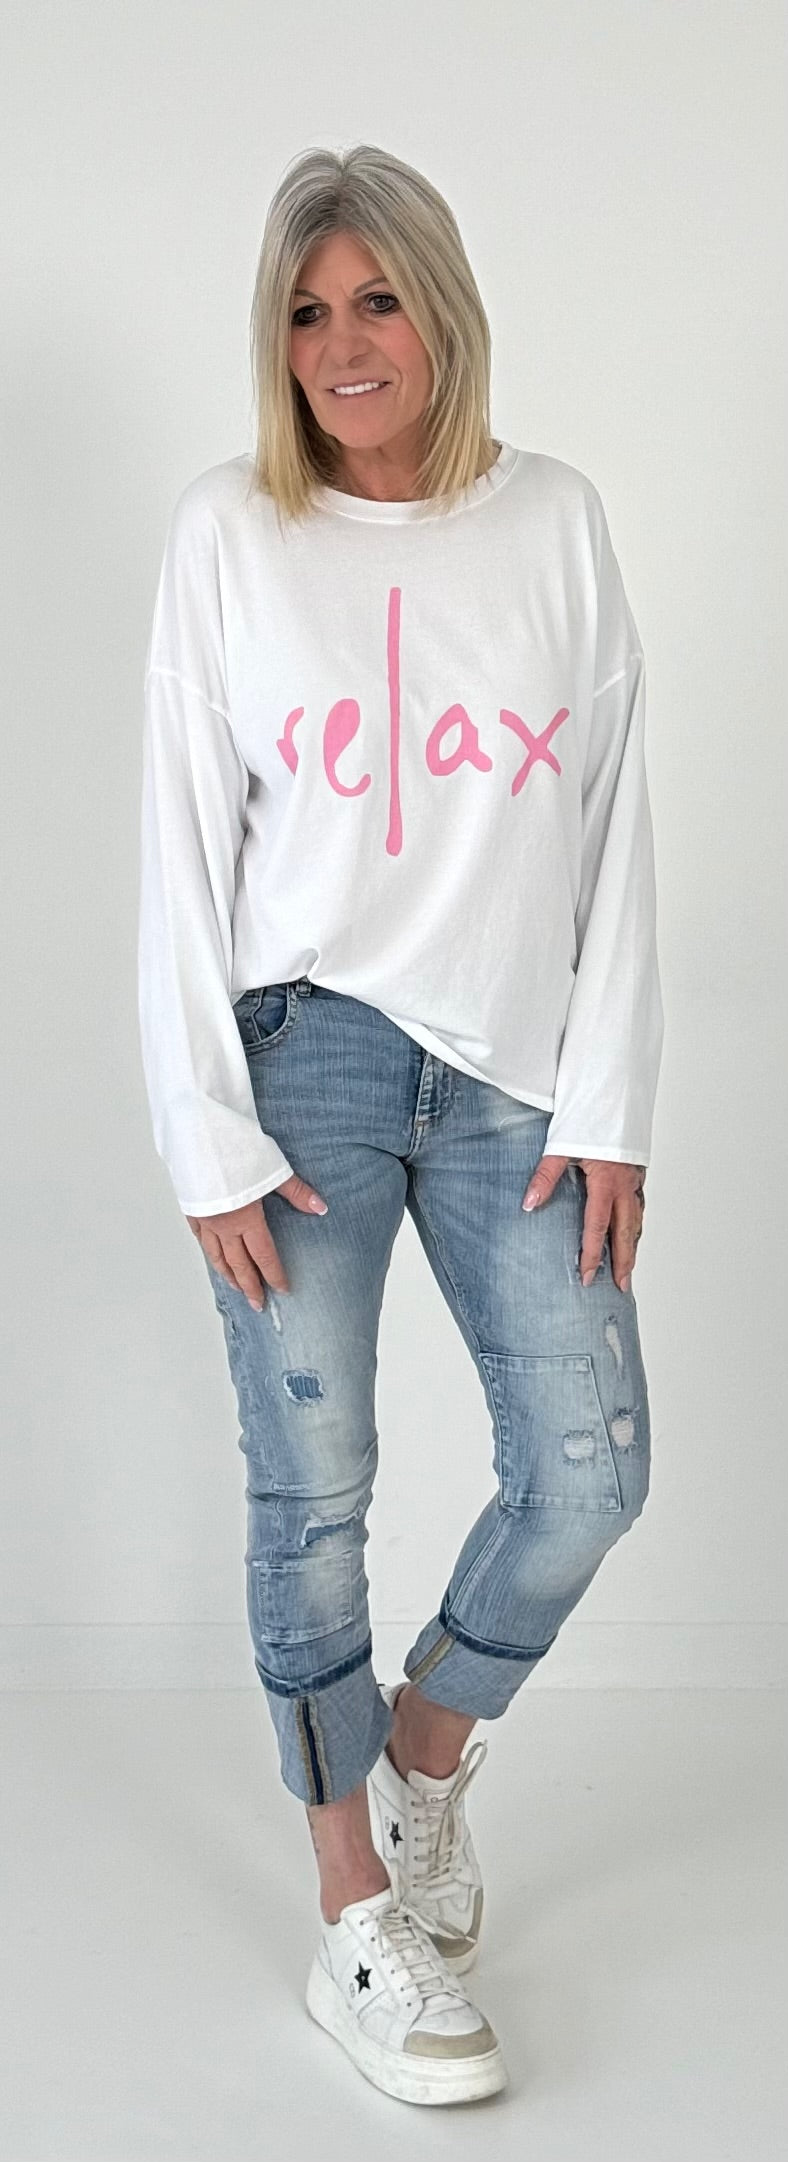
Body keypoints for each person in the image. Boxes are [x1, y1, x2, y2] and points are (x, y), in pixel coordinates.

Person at [137, 141, 663, 2109]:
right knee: (316, 1482)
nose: (342, 342)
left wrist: (612, 1100)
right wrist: (204, 1133)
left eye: (373, 299)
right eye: (305, 311)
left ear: (439, 308)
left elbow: (612, 819)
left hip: (517, 1065)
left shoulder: (554, 521)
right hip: (306, 1062)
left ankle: (423, 1753)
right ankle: (352, 1903)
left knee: (590, 1469)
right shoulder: (231, 532)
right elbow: (180, 850)